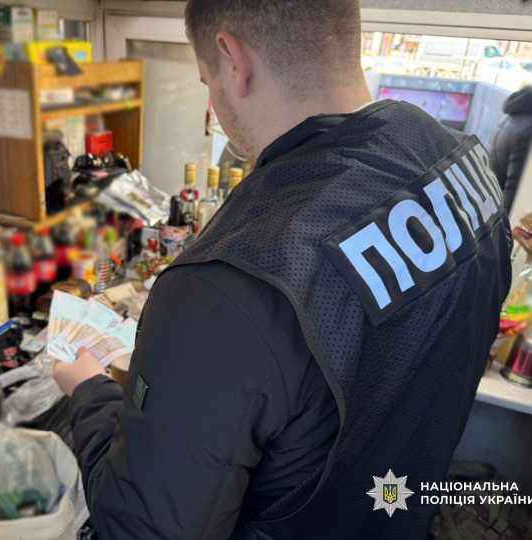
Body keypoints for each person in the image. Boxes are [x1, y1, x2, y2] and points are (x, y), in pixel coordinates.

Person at [54, 1, 512, 538]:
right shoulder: (460, 164)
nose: (212, 101)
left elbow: (144, 529)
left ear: (233, 59)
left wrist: (88, 395)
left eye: (206, 81)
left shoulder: (227, 284)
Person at [490, 85, 532, 215]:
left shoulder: (512, 117)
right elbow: (514, 186)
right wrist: (505, 220)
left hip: (491, 194)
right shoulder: (527, 131)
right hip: (500, 204)